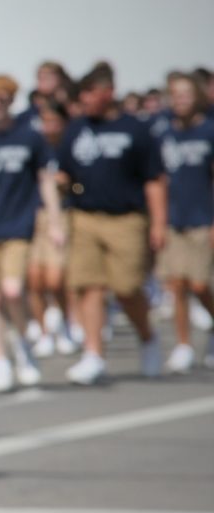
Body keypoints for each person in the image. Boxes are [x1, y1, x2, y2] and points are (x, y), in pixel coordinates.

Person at [56, 65, 166, 384]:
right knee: (88, 285)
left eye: (90, 93)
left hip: (127, 218)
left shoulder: (135, 129)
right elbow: (65, 170)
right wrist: (59, 184)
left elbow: (154, 181)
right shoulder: (77, 129)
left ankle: (147, 336)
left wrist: (158, 224)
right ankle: (93, 354)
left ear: (108, 92)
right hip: (85, 216)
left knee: (127, 288)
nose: (85, 100)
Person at [0, 75, 64, 392]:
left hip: (19, 225)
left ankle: (23, 347)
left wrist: (56, 221)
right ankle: (1, 361)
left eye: (2, 99)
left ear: (11, 100)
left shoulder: (30, 137)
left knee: (11, 290)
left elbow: (45, 181)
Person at [157, 73, 214, 372]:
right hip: (173, 218)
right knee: (177, 284)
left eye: (186, 94)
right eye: (175, 95)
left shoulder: (208, 131)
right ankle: (183, 345)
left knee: (200, 283)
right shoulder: (164, 133)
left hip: (203, 217)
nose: (180, 100)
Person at [24, 97, 77, 358]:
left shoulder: (70, 146)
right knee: (35, 279)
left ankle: (66, 321)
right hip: (33, 214)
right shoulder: (34, 144)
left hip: (61, 213)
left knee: (56, 279)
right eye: (44, 121)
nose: (49, 126)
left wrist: (67, 182)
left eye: (54, 121)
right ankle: (44, 330)